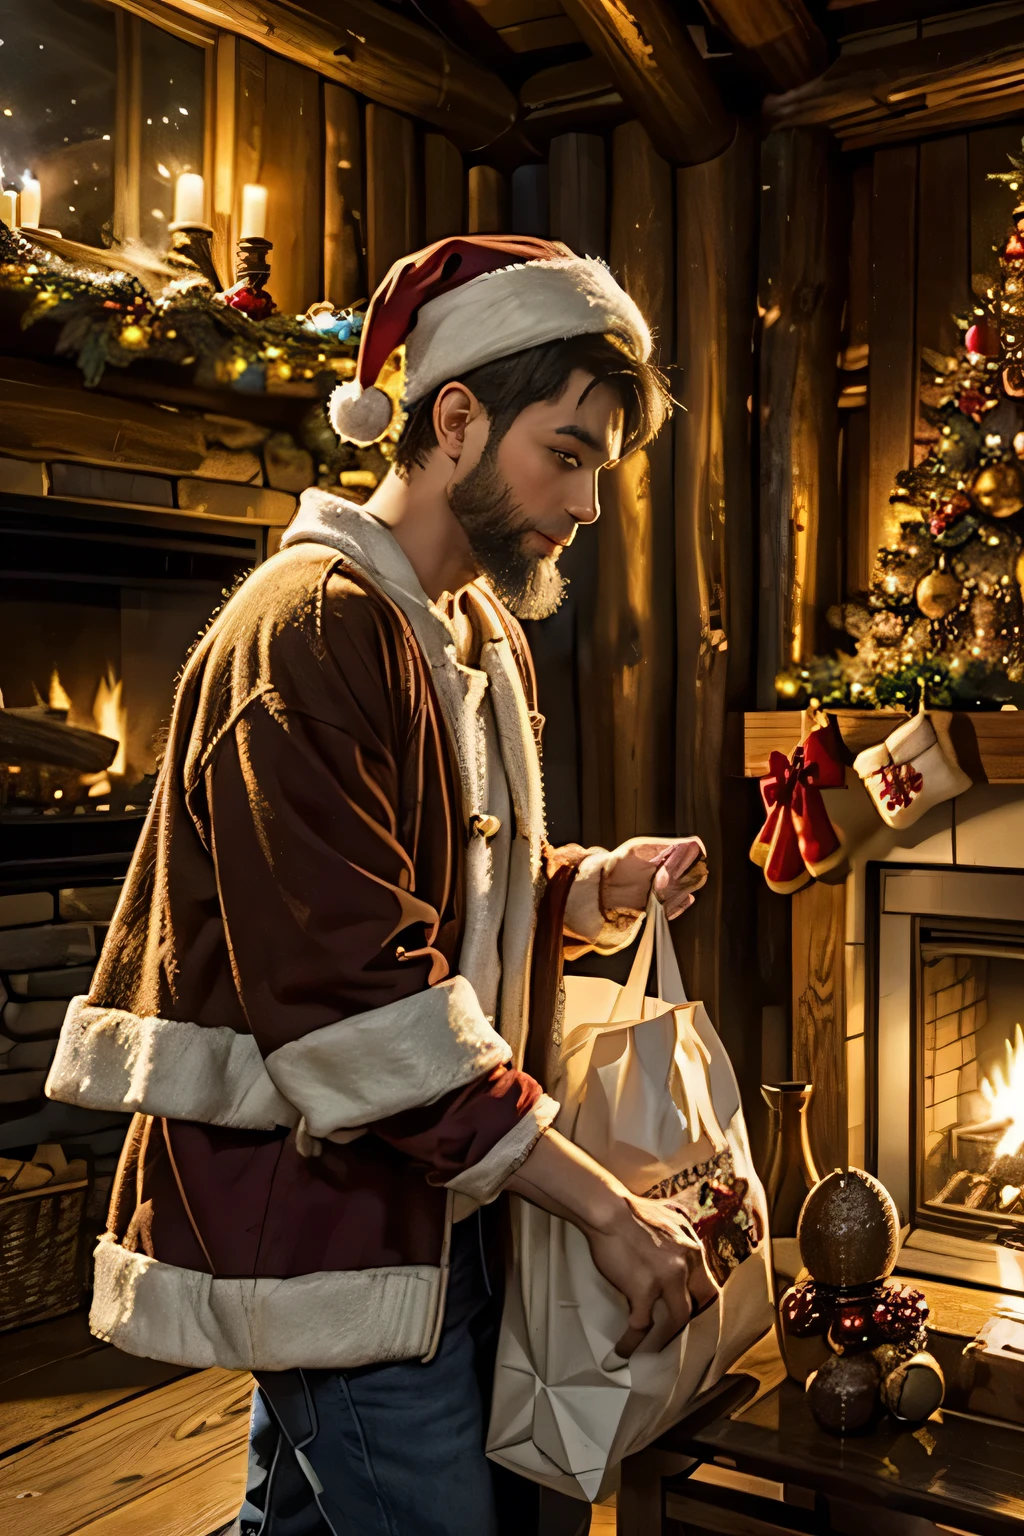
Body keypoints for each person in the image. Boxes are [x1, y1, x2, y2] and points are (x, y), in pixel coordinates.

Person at [46, 235, 716, 1536]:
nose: (585, 505)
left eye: (599, 469)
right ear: (454, 417)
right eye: (567, 455)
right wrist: (599, 1202)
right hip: (328, 1219)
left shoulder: (473, 635)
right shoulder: (308, 630)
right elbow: (351, 984)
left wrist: (586, 888)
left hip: (441, 1194)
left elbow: (438, 886)